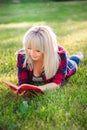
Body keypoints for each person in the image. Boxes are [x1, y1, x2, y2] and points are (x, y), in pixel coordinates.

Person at [16, 25, 83, 92]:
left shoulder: (60, 56)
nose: (32, 53)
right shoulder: (22, 56)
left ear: (47, 48)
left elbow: (57, 83)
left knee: (74, 60)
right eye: (29, 48)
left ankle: (79, 56)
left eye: (38, 50)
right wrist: (22, 89)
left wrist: (37, 89)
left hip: (69, 66)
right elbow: (22, 81)